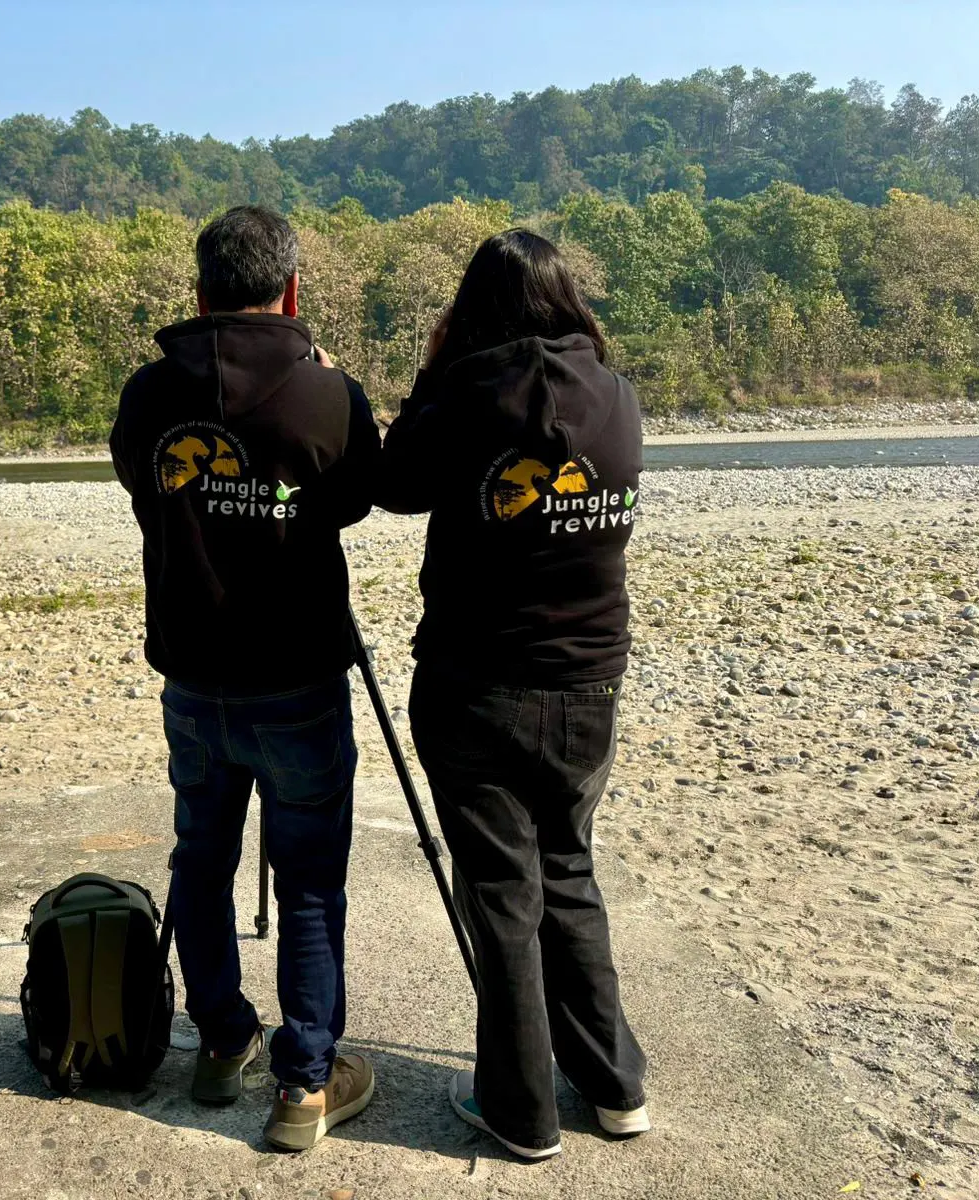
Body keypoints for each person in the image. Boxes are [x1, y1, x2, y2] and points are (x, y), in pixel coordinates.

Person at [110, 205, 381, 1152]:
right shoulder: (328, 398)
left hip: (194, 679)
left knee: (201, 859)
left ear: (198, 292)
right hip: (299, 676)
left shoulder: (147, 397)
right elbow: (356, 500)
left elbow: (141, 487)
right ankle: (304, 1084)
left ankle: (224, 1042)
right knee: (308, 883)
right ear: (292, 289)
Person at [377, 229, 650, 1161]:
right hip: (589, 679)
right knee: (568, 867)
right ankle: (615, 1088)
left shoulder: (468, 392)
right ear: (566, 298)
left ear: (473, 312)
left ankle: (522, 1113)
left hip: (478, 682)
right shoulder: (616, 395)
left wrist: (430, 368)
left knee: (501, 891)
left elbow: (392, 482)